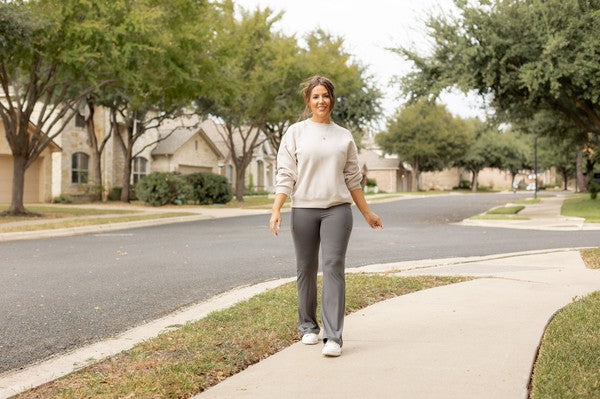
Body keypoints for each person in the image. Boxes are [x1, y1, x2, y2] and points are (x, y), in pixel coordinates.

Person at [269, 75, 383, 357]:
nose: (321, 101)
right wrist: (276, 209)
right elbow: (286, 173)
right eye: (316, 96)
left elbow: (353, 179)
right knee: (305, 268)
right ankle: (308, 326)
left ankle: (333, 337)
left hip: (337, 210)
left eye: (326, 96)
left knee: (333, 266)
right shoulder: (295, 133)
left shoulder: (343, 136)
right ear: (308, 101)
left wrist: (367, 212)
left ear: (332, 99)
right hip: (304, 209)